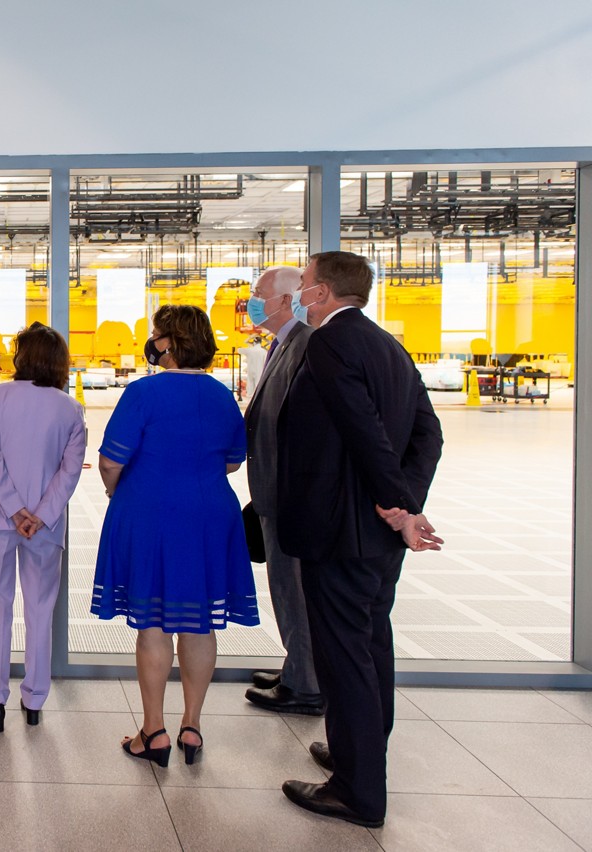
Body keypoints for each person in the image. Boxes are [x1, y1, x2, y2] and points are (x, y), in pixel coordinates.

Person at [278, 251, 443, 828]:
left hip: (339, 530)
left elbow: (361, 428)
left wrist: (398, 503)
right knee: (372, 646)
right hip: (377, 536)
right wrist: (405, 504)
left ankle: (357, 790)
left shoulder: (330, 342)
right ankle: (361, 754)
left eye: (304, 284)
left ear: (323, 292)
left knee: (344, 656)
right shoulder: (389, 346)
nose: (299, 293)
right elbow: (428, 432)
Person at [92, 304, 258, 768]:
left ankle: (153, 731)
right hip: (210, 515)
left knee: (153, 623)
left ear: (168, 343)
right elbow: (232, 461)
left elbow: (110, 460)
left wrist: (115, 490)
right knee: (199, 621)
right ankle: (192, 726)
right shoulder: (222, 395)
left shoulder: (143, 392)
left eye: (156, 334)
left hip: (150, 513)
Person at [0, 322, 86, 732]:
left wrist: (14, 509)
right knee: (39, 609)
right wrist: (38, 513)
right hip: (45, 526)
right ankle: (34, 700)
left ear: (22, 356)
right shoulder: (70, 408)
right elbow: (70, 472)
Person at [242, 267, 323, 716]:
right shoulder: (283, 344)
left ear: (287, 301)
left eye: (259, 294)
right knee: (284, 588)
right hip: (274, 491)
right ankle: (297, 667)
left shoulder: (306, 345)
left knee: (294, 590)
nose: (252, 302)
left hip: (290, 496)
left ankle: (306, 686)